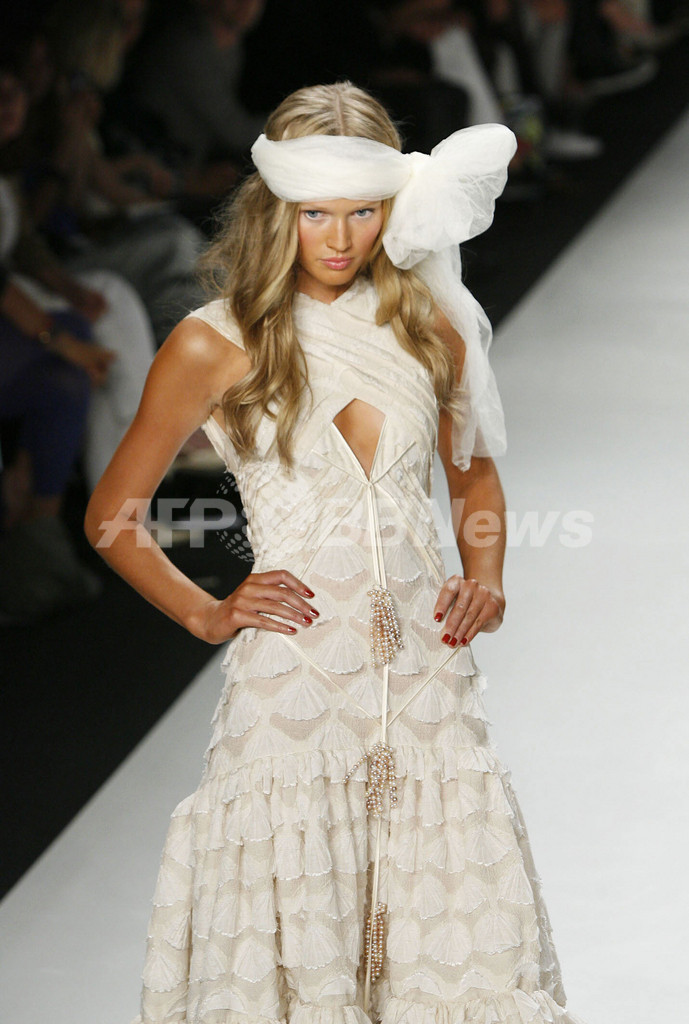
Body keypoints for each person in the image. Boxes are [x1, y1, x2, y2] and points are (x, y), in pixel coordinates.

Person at [84, 82, 587, 1024]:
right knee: (296, 945)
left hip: (427, 674)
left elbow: (473, 477)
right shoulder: (212, 343)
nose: (340, 238)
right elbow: (113, 514)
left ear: (392, 208)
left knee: (450, 944)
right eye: (316, 213)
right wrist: (205, 610)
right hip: (295, 683)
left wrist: (486, 580)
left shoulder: (427, 326)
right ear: (277, 208)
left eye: (363, 212)